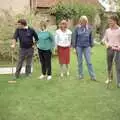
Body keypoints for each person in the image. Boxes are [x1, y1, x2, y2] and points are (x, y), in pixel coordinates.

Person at [72, 16, 96, 80]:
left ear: (86, 21)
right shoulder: (77, 28)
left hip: (87, 46)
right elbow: (74, 38)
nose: (83, 22)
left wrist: (91, 48)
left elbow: (91, 38)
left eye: (84, 21)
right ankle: (80, 75)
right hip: (78, 46)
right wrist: (74, 48)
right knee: (80, 62)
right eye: (82, 21)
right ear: (80, 21)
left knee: (89, 62)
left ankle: (93, 76)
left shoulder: (89, 28)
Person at [102, 15, 120, 87]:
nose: (109, 22)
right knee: (109, 65)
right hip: (109, 49)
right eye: (109, 21)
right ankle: (109, 78)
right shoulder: (107, 30)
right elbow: (104, 40)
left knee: (118, 66)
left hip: (118, 50)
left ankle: (119, 81)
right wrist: (106, 44)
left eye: (111, 21)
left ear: (115, 21)